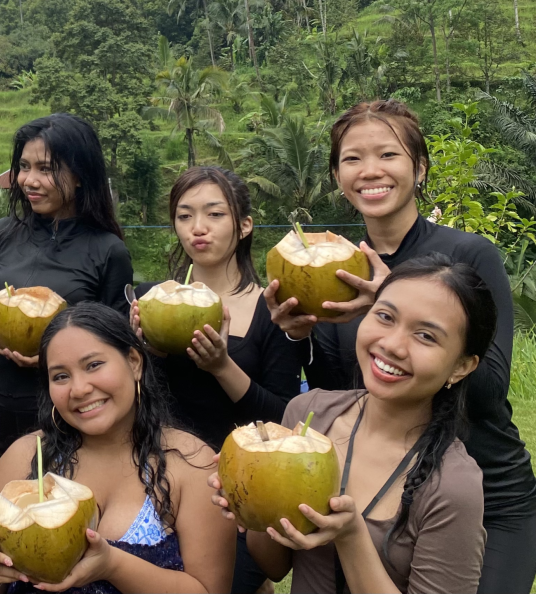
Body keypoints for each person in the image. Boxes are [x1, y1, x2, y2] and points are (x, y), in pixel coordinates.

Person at [264, 99, 536, 592]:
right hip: (380, 500)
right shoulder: (332, 270)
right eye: (352, 158)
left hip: (486, 494)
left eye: (388, 155)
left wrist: (389, 305)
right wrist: (295, 335)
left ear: (420, 168)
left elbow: (488, 389)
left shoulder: (469, 256)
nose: (370, 171)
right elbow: (337, 398)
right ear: (336, 175)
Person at [215, 254, 493, 592]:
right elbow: (274, 565)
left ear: (461, 367)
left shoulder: (452, 485)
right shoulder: (308, 415)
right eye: (385, 316)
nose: (391, 345)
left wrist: (350, 536)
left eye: (425, 336)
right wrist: (253, 501)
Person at [0, 302, 236, 594]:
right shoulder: (24, 459)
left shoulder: (191, 463)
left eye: (93, 365)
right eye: (60, 376)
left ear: (134, 362)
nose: (79, 389)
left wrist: (113, 566)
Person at [130, 166, 302, 593]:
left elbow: (281, 418)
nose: (197, 229)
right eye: (184, 216)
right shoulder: (151, 301)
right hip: (154, 485)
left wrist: (223, 366)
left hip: (233, 496)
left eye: (214, 214)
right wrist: (141, 354)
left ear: (244, 226)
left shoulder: (273, 312)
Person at [0, 114, 133, 525]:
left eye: (45, 168)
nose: (29, 180)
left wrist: (56, 362)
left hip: (69, 414)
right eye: (24, 167)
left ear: (79, 175)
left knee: (59, 530)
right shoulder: (1, 234)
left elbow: (117, 345)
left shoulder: (107, 250)